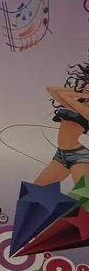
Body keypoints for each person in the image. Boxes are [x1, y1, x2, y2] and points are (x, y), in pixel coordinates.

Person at [35, 59, 89, 187]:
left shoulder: (86, 110)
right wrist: (79, 92)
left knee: (83, 194)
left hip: (80, 157)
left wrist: (83, 94)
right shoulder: (75, 104)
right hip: (61, 155)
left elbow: (63, 95)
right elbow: (51, 89)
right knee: (36, 190)